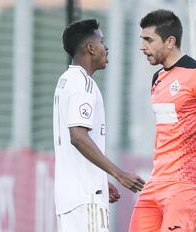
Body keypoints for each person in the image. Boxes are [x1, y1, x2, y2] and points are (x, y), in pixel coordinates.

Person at [129, 10, 196, 231]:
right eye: (142, 40)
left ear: (170, 41)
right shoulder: (158, 78)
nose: (142, 47)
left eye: (149, 40)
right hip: (155, 183)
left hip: (186, 187)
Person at [53, 19, 145, 232]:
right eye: (102, 42)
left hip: (72, 198)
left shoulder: (67, 79)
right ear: (90, 48)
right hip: (86, 199)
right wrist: (118, 174)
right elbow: (77, 137)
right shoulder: (83, 84)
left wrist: (101, 179)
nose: (106, 47)